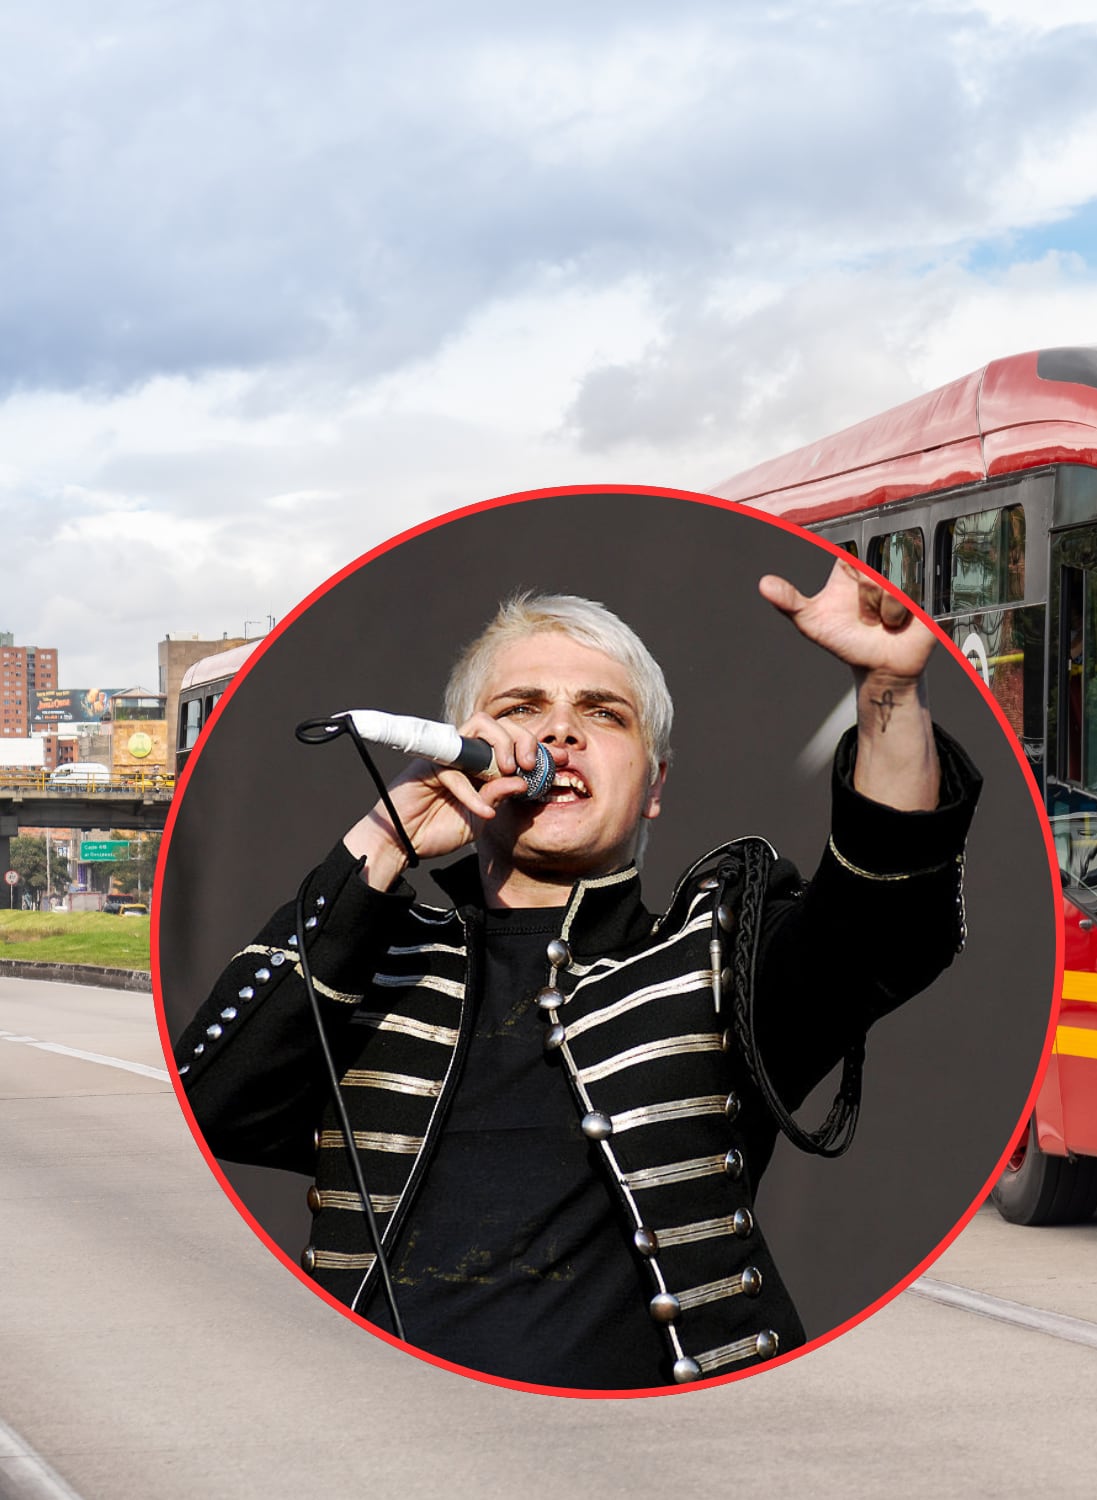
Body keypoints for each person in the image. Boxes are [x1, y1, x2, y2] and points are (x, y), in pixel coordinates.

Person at [172, 562, 980, 1390]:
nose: (558, 736)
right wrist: (384, 842)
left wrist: (888, 692)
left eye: (603, 714)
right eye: (521, 711)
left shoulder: (717, 954)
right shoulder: (368, 958)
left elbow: (884, 919)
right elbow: (214, 1108)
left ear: (654, 785)